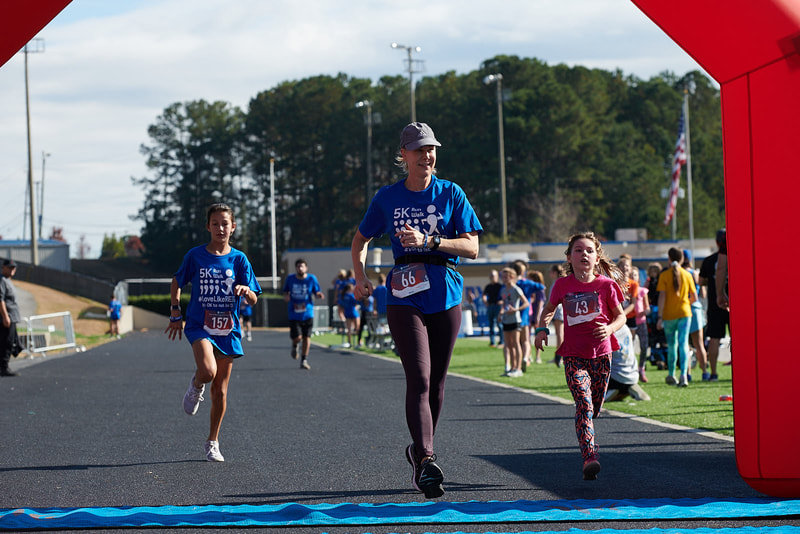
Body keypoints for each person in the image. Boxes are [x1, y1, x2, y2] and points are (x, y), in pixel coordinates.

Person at [350, 122, 482, 499]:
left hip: (445, 290)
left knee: (438, 383)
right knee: (419, 378)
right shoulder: (387, 198)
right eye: (419, 150)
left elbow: (472, 248)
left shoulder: (451, 193)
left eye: (431, 149)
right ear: (403, 155)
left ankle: (417, 451)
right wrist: (359, 276)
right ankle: (426, 459)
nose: (427, 156)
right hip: (404, 294)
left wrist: (432, 239)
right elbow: (361, 238)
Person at [165, 203, 261, 462]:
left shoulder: (239, 259)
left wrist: (246, 291)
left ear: (233, 227)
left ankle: (212, 441)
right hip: (199, 325)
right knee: (208, 372)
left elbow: (253, 298)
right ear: (208, 227)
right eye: (215, 223)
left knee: (220, 390)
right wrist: (176, 312)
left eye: (225, 224)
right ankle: (196, 384)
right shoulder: (196, 256)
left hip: (227, 329)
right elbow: (177, 281)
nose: (220, 228)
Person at [534, 232, 626, 481]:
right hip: (574, 355)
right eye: (578, 250)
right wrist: (542, 330)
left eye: (588, 250)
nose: (583, 254)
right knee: (583, 405)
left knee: (594, 407)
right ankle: (589, 456)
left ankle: (589, 439)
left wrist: (608, 328)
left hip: (602, 354)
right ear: (569, 257)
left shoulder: (606, 285)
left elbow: (621, 317)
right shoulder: (563, 285)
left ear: (597, 258)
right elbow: (549, 309)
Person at [656, 248, 698, 387]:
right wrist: (686, 303)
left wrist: (660, 316)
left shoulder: (664, 275)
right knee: (683, 344)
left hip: (669, 315)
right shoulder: (687, 274)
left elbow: (662, 297)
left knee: (672, 345)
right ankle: (684, 376)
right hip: (685, 313)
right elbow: (694, 297)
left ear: (669, 258)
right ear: (682, 259)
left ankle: (672, 374)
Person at [283, 258, 324, 369]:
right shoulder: (290, 279)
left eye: (302, 266)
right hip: (294, 313)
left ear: (306, 268)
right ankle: (295, 345)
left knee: (307, 337)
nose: (300, 268)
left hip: (308, 312)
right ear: (296, 268)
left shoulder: (311, 279)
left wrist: (319, 294)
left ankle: (304, 360)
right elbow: (286, 290)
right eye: (298, 266)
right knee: (298, 337)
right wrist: (286, 296)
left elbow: (316, 291)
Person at [699, 229, 729, 381]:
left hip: (715, 302)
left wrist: (715, 286)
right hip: (733, 301)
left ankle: (714, 373)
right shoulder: (736, 255)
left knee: (714, 338)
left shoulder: (709, 260)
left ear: (717, 242)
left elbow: (701, 281)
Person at [605, 324, 651, 402]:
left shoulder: (607, 330)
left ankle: (612, 391)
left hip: (615, 377)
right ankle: (626, 390)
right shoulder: (625, 328)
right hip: (633, 375)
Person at [498, 266, 529, 377]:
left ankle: (518, 368)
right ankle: (512, 367)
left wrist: (516, 310)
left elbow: (526, 303)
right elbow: (504, 304)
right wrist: (500, 313)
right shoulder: (503, 290)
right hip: (506, 319)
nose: (504, 279)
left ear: (512, 277)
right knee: (508, 344)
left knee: (516, 343)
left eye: (506, 277)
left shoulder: (516, 289)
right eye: (503, 277)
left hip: (515, 319)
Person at [683, 249, 709, 380]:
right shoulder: (695, 273)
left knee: (685, 345)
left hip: (682, 308)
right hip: (695, 308)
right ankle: (705, 372)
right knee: (699, 344)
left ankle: (687, 373)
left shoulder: (679, 273)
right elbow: (702, 294)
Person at [0, 259, 21, 377]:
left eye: (14, 267)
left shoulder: (8, 280)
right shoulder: (2, 280)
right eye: (10, 267)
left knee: (11, 342)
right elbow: (0, 300)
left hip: (12, 317)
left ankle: (3, 366)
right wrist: (5, 316)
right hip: (7, 318)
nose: (12, 270)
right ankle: (4, 367)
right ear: (3, 267)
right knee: (6, 343)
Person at [630, 267, 650, 382]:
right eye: (631, 275)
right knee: (630, 348)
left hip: (641, 322)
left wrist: (644, 312)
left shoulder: (642, 291)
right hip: (631, 322)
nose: (633, 277)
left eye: (635, 275)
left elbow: (647, 307)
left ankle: (641, 368)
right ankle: (631, 368)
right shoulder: (627, 290)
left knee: (644, 346)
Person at [547, 264, 566, 367]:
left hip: (559, 311)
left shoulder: (557, 283)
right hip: (557, 311)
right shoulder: (555, 283)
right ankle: (558, 356)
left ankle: (560, 357)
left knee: (560, 335)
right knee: (559, 335)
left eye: (551, 272)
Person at [528, 270, 547, 364]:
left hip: (536, 314)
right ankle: (528, 355)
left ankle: (537, 356)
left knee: (537, 337)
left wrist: (537, 316)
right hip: (529, 314)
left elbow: (540, 303)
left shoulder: (540, 290)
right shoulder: (531, 289)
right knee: (527, 336)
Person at [482, 270, 503, 348]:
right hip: (490, 306)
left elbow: (504, 295)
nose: (492, 277)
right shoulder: (488, 286)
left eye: (493, 276)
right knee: (491, 325)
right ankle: (492, 342)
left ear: (497, 277)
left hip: (498, 306)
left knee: (500, 325)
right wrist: (485, 301)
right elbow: (484, 295)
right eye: (491, 276)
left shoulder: (500, 286)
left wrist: (502, 301)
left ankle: (501, 342)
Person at [340, 283, 360, 348]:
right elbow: (356, 302)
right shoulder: (351, 296)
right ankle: (359, 342)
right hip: (353, 312)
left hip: (347, 313)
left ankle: (349, 342)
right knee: (357, 328)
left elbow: (342, 305)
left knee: (349, 329)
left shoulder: (343, 296)